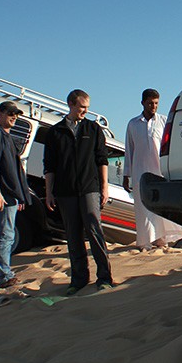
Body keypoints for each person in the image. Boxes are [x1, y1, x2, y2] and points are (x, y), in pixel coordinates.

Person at [43, 89, 114, 294]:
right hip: (65, 192)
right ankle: (79, 280)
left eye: (87, 108)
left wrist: (104, 188)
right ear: (71, 105)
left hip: (89, 189)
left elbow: (102, 160)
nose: (85, 111)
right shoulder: (55, 132)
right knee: (73, 236)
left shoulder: (93, 129)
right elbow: (49, 166)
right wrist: (49, 192)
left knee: (95, 232)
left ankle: (104, 277)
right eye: (82, 107)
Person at [124, 88, 182, 249]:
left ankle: (161, 240)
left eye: (156, 103)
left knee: (161, 207)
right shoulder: (133, 124)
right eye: (150, 103)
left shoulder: (164, 121)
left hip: (160, 172)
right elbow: (129, 150)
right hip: (140, 172)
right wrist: (126, 175)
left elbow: (170, 147)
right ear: (143, 103)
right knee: (142, 208)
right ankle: (145, 243)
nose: (153, 106)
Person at [0, 100, 32, 288]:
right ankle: (5, 275)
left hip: (11, 194)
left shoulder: (8, 137)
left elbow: (15, 170)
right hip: (3, 193)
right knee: (6, 235)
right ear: (0, 114)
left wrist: (19, 196)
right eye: (10, 113)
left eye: (16, 114)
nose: (14, 117)